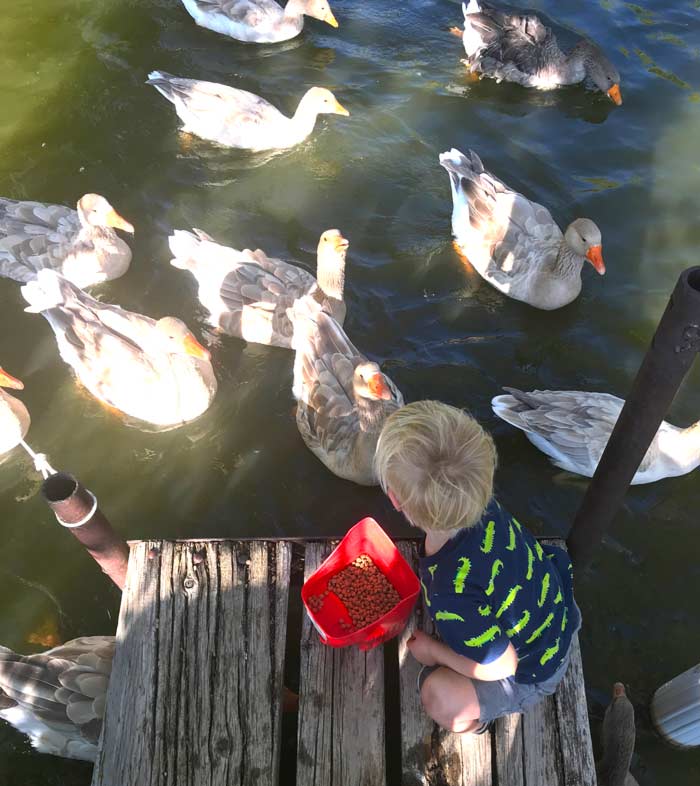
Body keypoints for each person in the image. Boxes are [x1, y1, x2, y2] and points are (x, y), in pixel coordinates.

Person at [374, 400, 581, 733]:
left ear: (397, 501)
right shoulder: (478, 502)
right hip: (555, 611)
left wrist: (436, 652)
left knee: (436, 695)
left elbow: (502, 665)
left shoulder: (450, 592)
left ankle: (476, 723)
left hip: (533, 669)